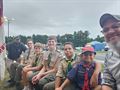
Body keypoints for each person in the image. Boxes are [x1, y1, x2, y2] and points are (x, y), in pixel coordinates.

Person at [99, 13, 120, 90]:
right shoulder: (109, 56)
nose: (110, 32)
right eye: (105, 30)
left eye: (115, 26)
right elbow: (108, 82)